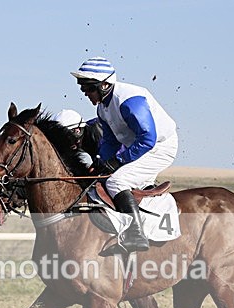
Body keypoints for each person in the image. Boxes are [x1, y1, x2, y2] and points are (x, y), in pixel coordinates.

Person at [71, 56, 178, 252]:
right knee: (101, 179)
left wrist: (117, 161)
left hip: (159, 146)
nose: (85, 93)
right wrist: (101, 163)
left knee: (116, 182)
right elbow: (110, 142)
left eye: (88, 88)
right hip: (139, 147)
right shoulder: (103, 108)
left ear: (104, 85)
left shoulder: (129, 101)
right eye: (83, 88)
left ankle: (136, 235)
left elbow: (147, 139)